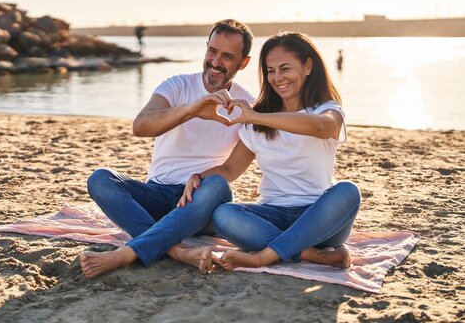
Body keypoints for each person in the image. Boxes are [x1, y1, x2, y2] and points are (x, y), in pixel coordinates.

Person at [80, 19, 255, 278]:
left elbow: (231, 168)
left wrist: (197, 179)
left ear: (243, 63)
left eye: (228, 56)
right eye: (213, 51)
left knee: (219, 186)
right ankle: (177, 251)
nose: (216, 62)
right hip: (156, 195)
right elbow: (141, 126)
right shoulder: (177, 85)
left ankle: (127, 253)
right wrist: (191, 109)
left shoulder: (248, 106)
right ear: (206, 47)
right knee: (101, 179)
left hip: (201, 203)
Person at [179, 32, 361, 271]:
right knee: (223, 214)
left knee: (347, 191)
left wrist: (256, 116)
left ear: (307, 67)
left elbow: (320, 127)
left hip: (319, 219)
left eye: (285, 69)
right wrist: (199, 177)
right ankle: (308, 254)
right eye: (271, 70)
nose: (277, 78)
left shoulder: (327, 109)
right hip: (271, 215)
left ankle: (263, 256)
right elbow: (231, 168)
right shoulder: (257, 120)